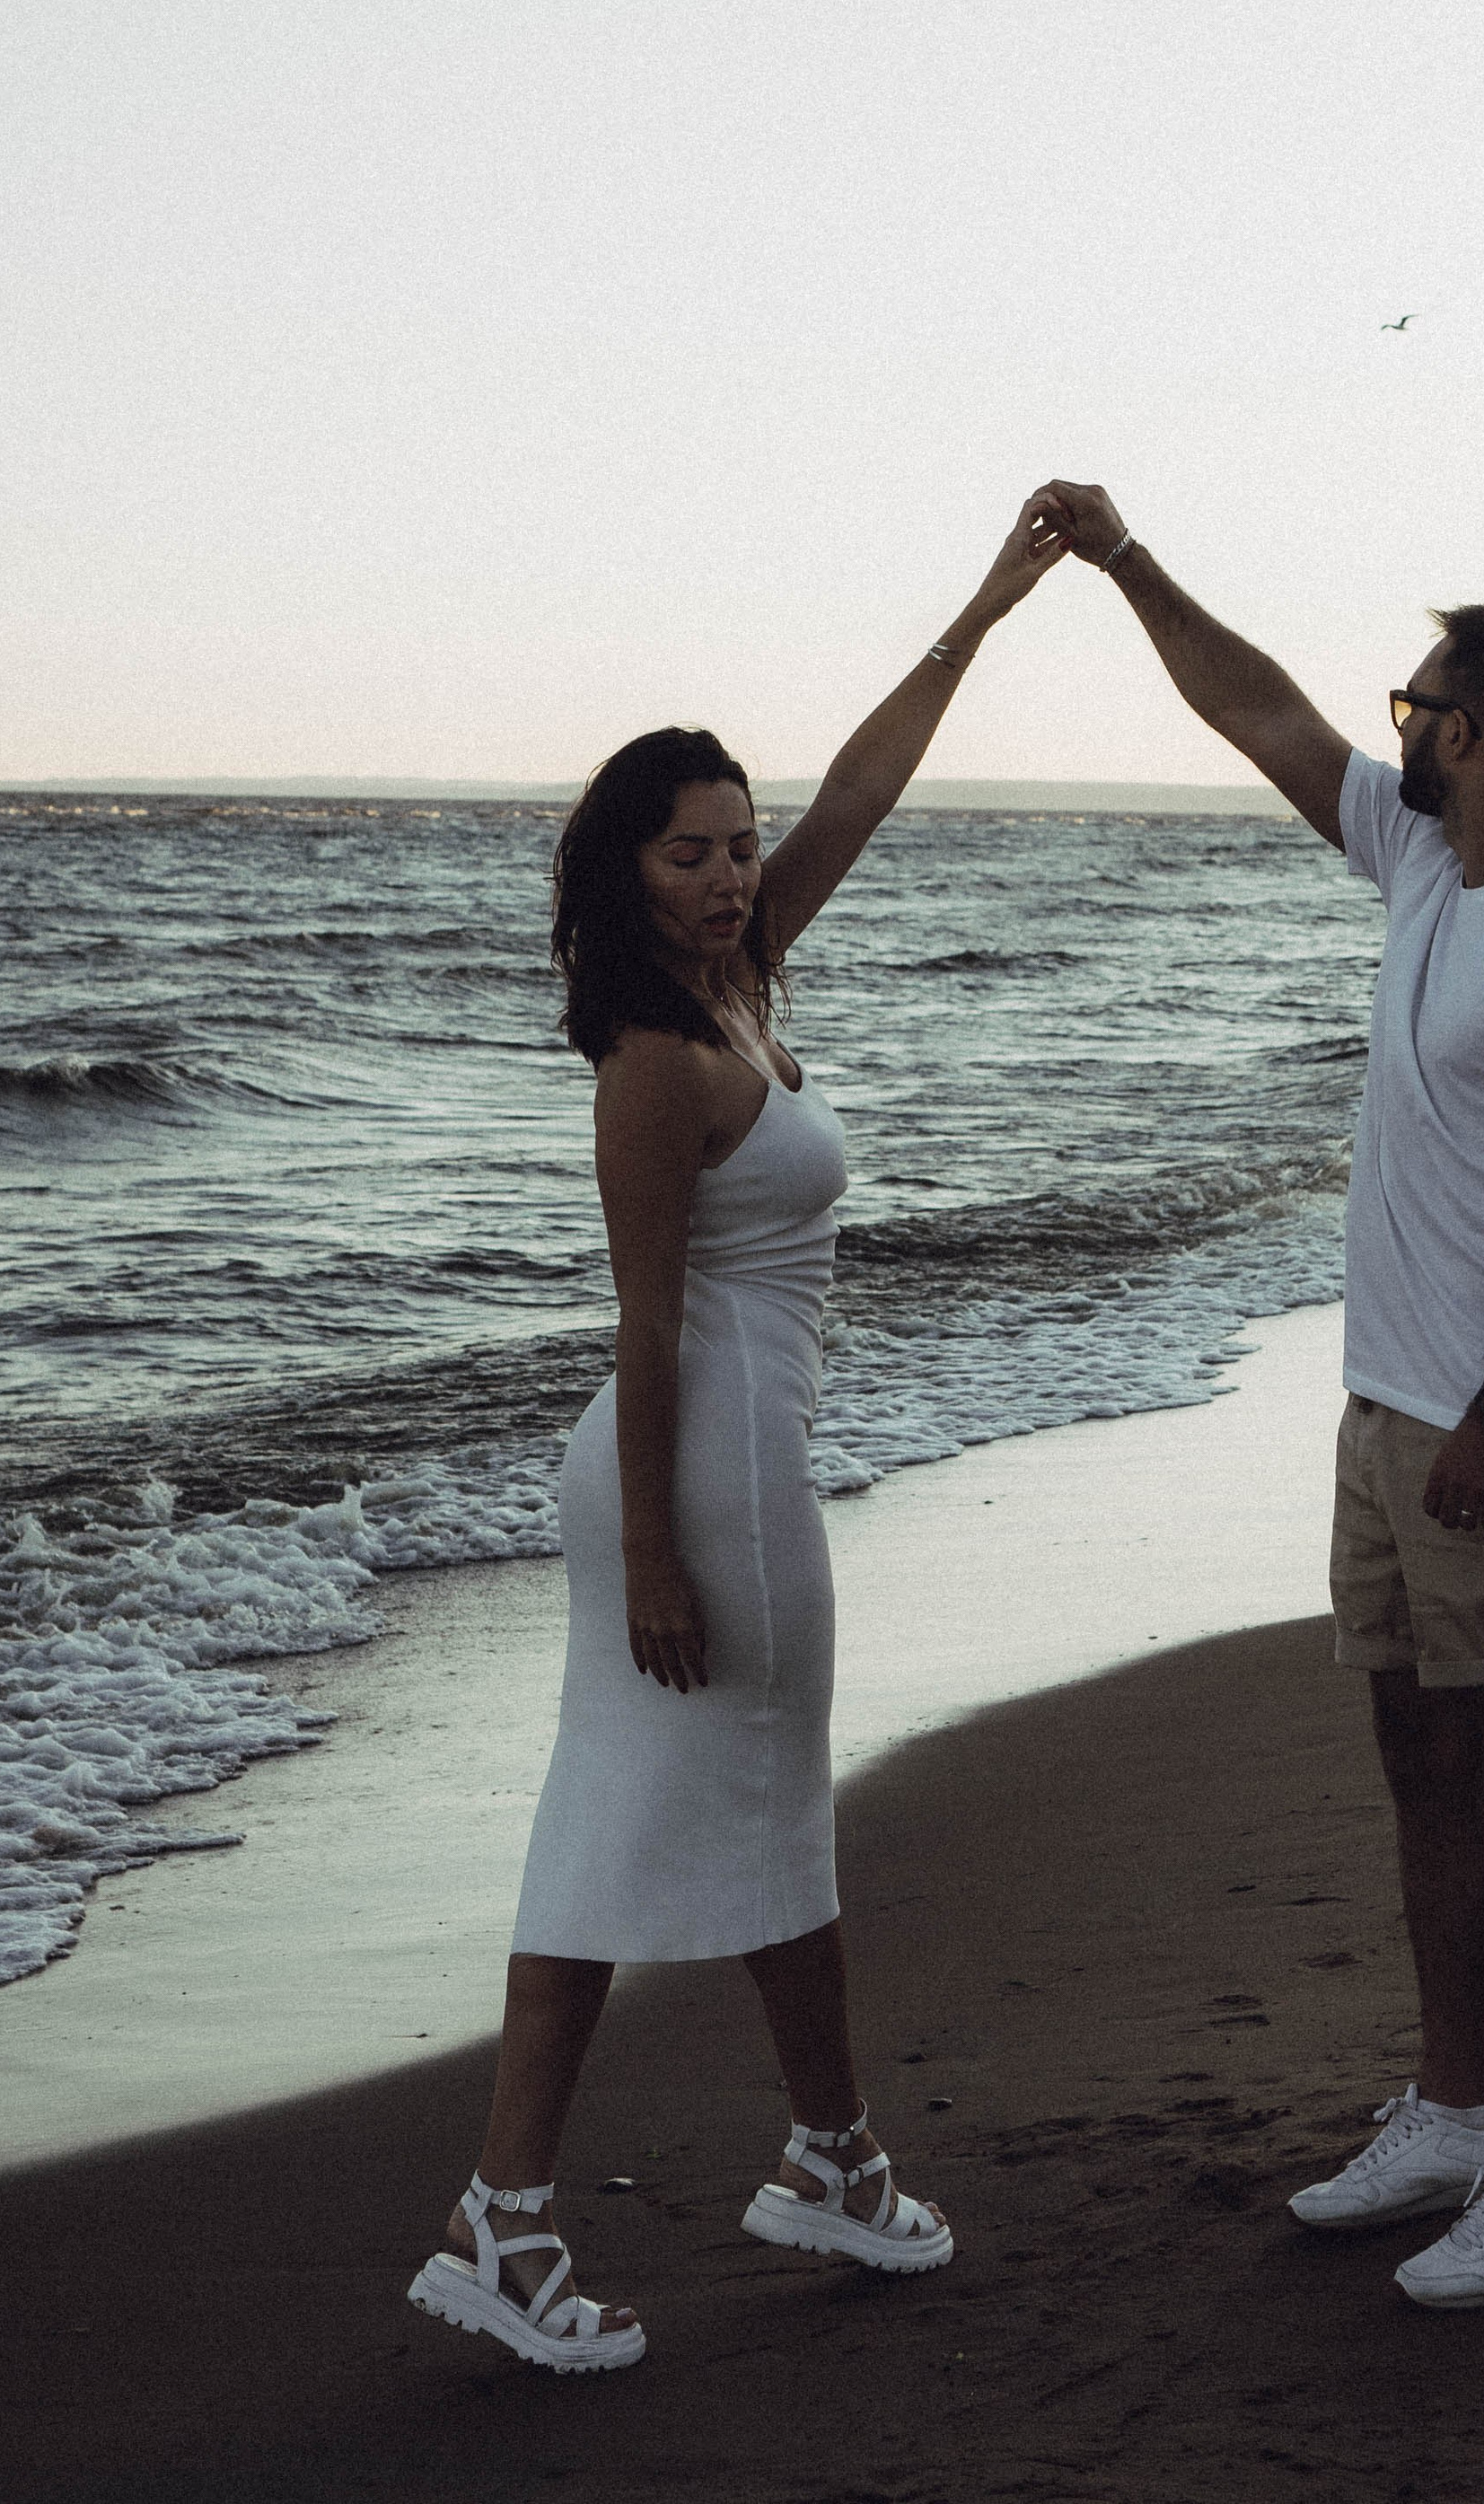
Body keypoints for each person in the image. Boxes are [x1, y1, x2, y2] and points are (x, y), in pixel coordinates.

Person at [409, 499, 1064, 2371]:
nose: (725, 871)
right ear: (622, 872)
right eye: (688, 851)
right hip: (697, 1470)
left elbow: (865, 786)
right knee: (679, 1821)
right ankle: (552, 2210)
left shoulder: (744, 982)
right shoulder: (654, 1057)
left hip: (726, 1463)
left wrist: (989, 604)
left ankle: (794, 2161)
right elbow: (642, 1321)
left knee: (713, 1816)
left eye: (736, 843)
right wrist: (661, 1553)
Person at [1034, 481, 1484, 2311]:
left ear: (1463, 735)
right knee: (1418, 1759)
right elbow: (1249, 709)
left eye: (1406, 705)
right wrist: (1124, 562)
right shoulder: (1420, 869)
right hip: (1390, 1413)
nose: (1381, 724)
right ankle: (1460, 2111)